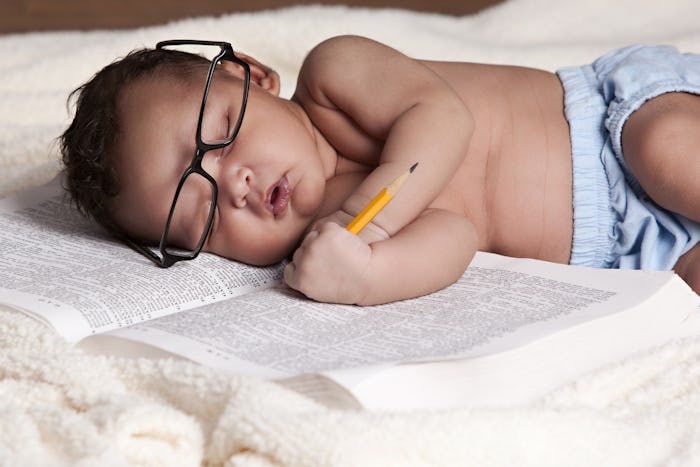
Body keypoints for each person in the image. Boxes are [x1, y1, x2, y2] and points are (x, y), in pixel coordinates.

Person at [60, 35, 700, 305]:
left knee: (669, 154)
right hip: (634, 255)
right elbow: (454, 239)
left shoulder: (334, 78)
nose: (236, 184)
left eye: (221, 137)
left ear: (251, 74)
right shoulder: (324, 243)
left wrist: (366, 222)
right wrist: (366, 273)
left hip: (612, 134)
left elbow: (443, 118)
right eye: (201, 215)